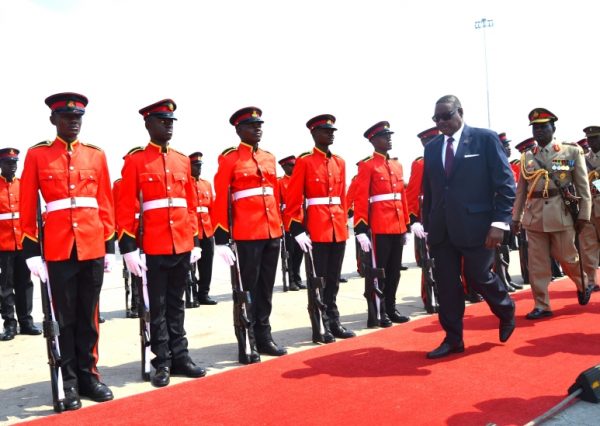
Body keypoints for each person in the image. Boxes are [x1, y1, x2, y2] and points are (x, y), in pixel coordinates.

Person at [20, 92, 115, 409]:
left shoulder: (96, 155)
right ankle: (69, 382)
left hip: (92, 245)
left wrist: (110, 245)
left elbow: (105, 203)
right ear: (53, 120)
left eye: (77, 118)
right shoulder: (38, 155)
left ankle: (89, 376)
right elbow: (26, 206)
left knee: (89, 317)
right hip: (58, 248)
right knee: (64, 318)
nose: (73, 122)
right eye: (66, 118)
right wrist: (31, 251)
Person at [117, 99, 206, 387]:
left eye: (170, 121)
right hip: (153, 245)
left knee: (177, 305)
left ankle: (181, 357)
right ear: (148, 124)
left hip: (181, 243)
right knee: (157, 307)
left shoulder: (182, 160)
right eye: (162, 121)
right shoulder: (136, 160)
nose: (168, 125)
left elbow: (190, 205)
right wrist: (129, 247)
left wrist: (194, 240)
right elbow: (126, 206)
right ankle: (162, 361)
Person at [421, 95, 516, 359]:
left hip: (477, 226)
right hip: (442, 230)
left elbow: (506, 184)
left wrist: (499, 223)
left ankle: (505, 308)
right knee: (447, 286)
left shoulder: (484, 139)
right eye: (436, 118)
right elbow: (429, 191)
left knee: (479, 276)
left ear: (460, 112)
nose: (441, 122)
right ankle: (453, 339)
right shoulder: (432, 148)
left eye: (446, 116)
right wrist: (427, 226)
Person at [212, 106, 286, 362]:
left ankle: (265, 336)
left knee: (266, 288)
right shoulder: (230, 159)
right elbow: (221, 197)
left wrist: (281, 226)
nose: (258, 129)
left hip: (271, 231)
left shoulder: (268, 157)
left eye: (259, 125)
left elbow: (274, 195)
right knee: (248, 288)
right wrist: (221, 237)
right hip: (247, 233)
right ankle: (248, 339)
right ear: (238, 130)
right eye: (252, 126)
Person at [512, 108, 594, 320]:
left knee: (567, 258)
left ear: (553, 128)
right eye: (535, 128)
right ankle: (542, 305)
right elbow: (521, 191)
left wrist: (584, 215)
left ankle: (582, 281)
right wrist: (516, 218)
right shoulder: (527, 157)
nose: (539, 132)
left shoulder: (570, 152)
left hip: (561, 215)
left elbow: (583, 187)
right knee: (537, 265)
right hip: (534, 217)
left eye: (543, 127)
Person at [284, 114, 355, 342]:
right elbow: (294, 199)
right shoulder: (304, 161)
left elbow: (342, 197)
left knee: (333, 279)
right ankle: (320, 324)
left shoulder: (340, 162)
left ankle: (334, 320)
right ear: (314, 134)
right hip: (316, 228)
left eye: (333, 131)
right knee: (318, 280)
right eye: (326, 131)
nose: (331, 134)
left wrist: (344, 222)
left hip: (337, 228)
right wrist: (297, 229)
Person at [353, 121, 410, 327]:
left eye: (390, 135)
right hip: (379, 224)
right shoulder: (367, 165)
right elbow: (361, 197)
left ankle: (391, 307)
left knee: (394, 270)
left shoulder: (397, 164)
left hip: (396, 225)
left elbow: (401, 195)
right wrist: (360, 227)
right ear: (374, 140)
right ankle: (379, 310)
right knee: (379, 271)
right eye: (385, 136)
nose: (389, 139)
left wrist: (406, 223)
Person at [0, 148, 41, 341]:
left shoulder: (24, 185)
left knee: (25, 284)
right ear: (1, 165)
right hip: (4, 245)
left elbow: (33, 213)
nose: (12, 166)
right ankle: (9, 324)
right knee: (6, 287)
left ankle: (26, 322)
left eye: (15, 163)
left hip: (23, 243)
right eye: (8, 163)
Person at [189, 152, 217, 305]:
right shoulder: (185, 184)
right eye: (195, 166)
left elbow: (211, 208)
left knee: (207, 264)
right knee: (190, 265)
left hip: (207, 229)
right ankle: (192, 293)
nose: (198, 169)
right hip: (192, 230)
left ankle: (204, 293)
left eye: (200, 166)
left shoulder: (206, 184)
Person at [496, 133, 522, 292]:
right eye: (505, 147)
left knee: (505, 248)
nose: (509, 149)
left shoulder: (507, 165)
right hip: (500, 214)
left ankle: (506, 277)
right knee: (499, 249)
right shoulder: (495, 165)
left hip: (510, 213)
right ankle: (501, 279)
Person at [112, 177, 140, 318]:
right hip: (129, 231)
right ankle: (135, 304)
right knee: (134, 270)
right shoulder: (119, 184)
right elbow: (115, 208)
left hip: (147, 228)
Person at [277, 155, 305, 291]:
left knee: (300, 253)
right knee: (290, 253)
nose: (294, 168)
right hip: (288, 224)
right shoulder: (280, 183)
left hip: (301, 221)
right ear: (284, 167)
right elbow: (277, 204)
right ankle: (291, 280)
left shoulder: (300, 181)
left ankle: (298, 278)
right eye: (291, 166)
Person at [579, 126, 600, 291]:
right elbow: (561, 168)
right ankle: (591, 281)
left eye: (595, 138)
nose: (592, 142)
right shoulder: (582, 158)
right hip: (587, 208)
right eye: (590, 139)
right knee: (587, 246)